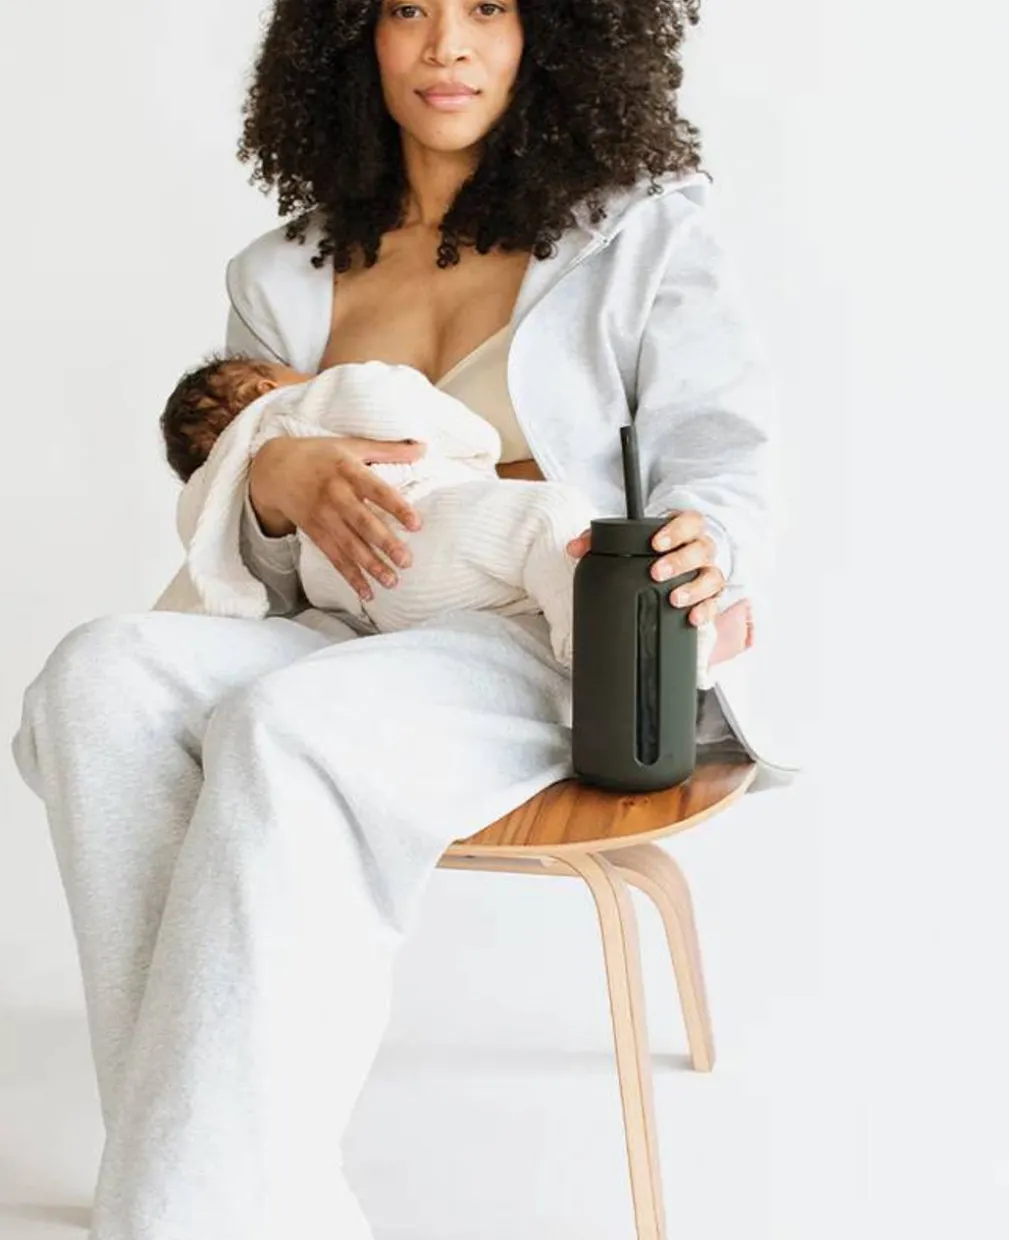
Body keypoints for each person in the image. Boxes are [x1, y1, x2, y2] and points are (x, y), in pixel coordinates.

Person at [10, 2, 799, 1238]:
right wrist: (272, 482)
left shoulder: (639, 233)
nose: (446, 45)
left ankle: (178, 1204)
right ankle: (204, 1179)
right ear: (348, 39)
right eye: (406, 9)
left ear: (554, 34)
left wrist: (710, 545)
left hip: (549, 628)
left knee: (288, 726)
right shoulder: (278, 274)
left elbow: (723, 456)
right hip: (350, 626)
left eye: (488, 7)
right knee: (96, 676)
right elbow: (257, 549)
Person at [156, 350, 730, 685]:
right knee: (550, 518)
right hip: (418, 532)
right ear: (266, 386)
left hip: (378, 601)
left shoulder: (229, 485)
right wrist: (477, 449)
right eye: (291, 370)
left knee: (527, 583)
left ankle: (646, 651)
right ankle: (632, 668)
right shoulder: (305, 403)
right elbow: (399, 403)